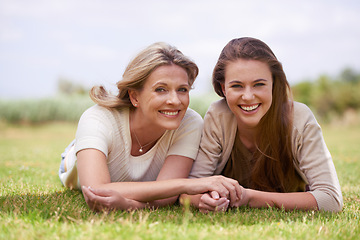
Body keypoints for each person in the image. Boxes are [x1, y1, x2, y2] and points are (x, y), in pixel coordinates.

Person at [59, 42, 242, 211]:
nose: (174, 100)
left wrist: (128, 205)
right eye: (160, 89)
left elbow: (166, 198)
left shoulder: (190, 123)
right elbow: (97, 190)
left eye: (182, 89)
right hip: (71, 163)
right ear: (135, 97)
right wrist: (190, 185)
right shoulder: (98, 118)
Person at [181, 37, 343, 213]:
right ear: (223, 88)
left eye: (259, 84)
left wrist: (249, 198)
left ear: (274, 83)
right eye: (237, 86)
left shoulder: (299, 118)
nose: (248, 96)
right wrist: (202, 200)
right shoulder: (218, 116)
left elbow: (330, 200)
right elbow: (189, 191)